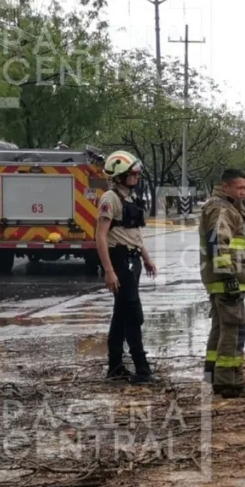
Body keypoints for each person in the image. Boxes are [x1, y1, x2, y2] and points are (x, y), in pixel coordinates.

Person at [96, 151, 157, 384]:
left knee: (121, 314)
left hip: (133, 260)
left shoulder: (130, 197)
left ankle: (115, 366)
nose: (137, 177)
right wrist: (109, 271)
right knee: (133, 314)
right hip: (120, 260)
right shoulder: (109, 199)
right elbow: (100, 236)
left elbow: (134, 233)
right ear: (120, 175)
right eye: (133, 174)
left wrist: (146, 258)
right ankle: (142, 369)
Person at [200, 169, 245, 398]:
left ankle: (212, 376)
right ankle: (230, 383)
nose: (243, 192)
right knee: (234, 332)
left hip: (221, 280)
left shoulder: (226, 206)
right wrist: (229, 276)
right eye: (239, 187)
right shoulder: (222, 208)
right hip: (227, 281)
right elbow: (217, 242)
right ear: (225, 187)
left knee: (220, 329)